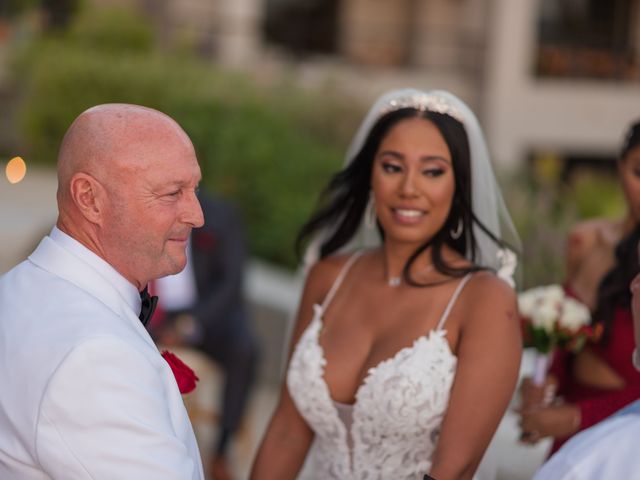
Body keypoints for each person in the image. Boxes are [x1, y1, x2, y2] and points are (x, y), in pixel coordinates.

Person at [250, 88, 523, 479]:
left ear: (459, 185)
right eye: (393, 166)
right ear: (370, 176)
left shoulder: (486, 300)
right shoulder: (328, 276)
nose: (408, 188)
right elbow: (287, 434)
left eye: (432, 171)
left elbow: (455, 468)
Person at [0, 104, 205, 479]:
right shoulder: (95, 357)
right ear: (89, 198)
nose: (196, 214)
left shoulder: (16, 288)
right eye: (172, 193)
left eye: (194, 189)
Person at [518, 119, 640, 452]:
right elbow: (568, 333)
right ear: (620, 167)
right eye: (639, 173)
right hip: (567, 430)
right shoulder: (584, 241)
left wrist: (578, 417)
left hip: (625, 435)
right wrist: (548, 382)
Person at [151, 190, 259, 480]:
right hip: (154, 312)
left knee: (245, 347)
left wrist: (190, 323)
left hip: (205, 315)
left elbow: (230, 284)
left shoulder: (221, 216)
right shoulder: (143, 207)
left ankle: (222, 451)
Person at [531, 270, 640, 479]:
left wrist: (581, 415)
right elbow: (574, 348)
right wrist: (551, 380)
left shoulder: (588, 461)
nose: (634, 285)